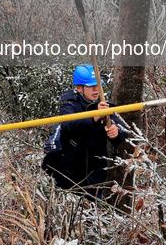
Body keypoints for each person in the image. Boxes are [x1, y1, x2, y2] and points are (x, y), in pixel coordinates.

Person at [42, 63, 129, 197]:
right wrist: (94, 118)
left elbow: (122, 130)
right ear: (79, 88)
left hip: (95, 174)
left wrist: (116, 133)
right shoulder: (69, 104)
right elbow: (69, 125)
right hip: (68, 172)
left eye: (98, 86)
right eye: (91, 87)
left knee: (92, 210)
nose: (96, 90)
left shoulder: (104, 106)